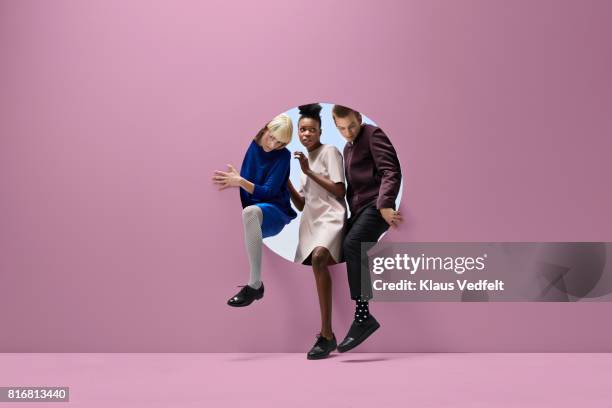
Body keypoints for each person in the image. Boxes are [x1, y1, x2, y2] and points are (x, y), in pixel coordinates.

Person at [332, 104, 403, 352]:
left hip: (376, 206)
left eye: (351, 125)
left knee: (354, 244)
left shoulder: (373, 134)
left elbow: (390, 170)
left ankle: (363, 317)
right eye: (342, 128)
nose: (349, 132)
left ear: (359, 118)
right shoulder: (347, 146)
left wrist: (385, 204)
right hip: (360, 209)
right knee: (338, 246)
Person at [213, 113, 296, 307]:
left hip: (273, 211)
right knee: (248, 213)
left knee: (250, 212)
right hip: (249, 207)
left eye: (281, 142)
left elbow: (268, 192)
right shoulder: (247, 143)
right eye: (272, 137)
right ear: (265, 128)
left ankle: (255, 285)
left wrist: (240, 181)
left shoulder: (283, 156)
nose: (274, 145)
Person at [288, 104, 347, 360]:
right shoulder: (302, 161)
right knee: (313, 263)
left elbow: (339, 191)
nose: (306, 134)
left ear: (320, 131)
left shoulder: (330, 152)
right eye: (302, 130)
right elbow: (302, 205)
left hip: (331, 219)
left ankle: (326, 334)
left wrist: (308, 172)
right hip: (310, 223)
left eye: (311, 130)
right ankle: (325, 334)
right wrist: (286, 181)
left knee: (320, 256)